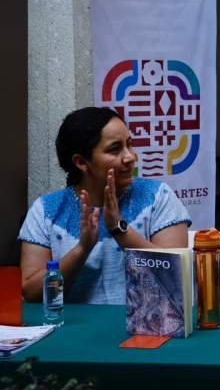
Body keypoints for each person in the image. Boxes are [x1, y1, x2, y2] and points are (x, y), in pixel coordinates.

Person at [19, 107, 191, 304]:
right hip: (72, 331)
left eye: (129, 144)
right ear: (81, 162)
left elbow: (176, 274)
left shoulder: (157, 196)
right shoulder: (45, 211)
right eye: (115, 149)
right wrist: (82, 250)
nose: (130, 157)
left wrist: (120, 231)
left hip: (146, 330)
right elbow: (31, 293)